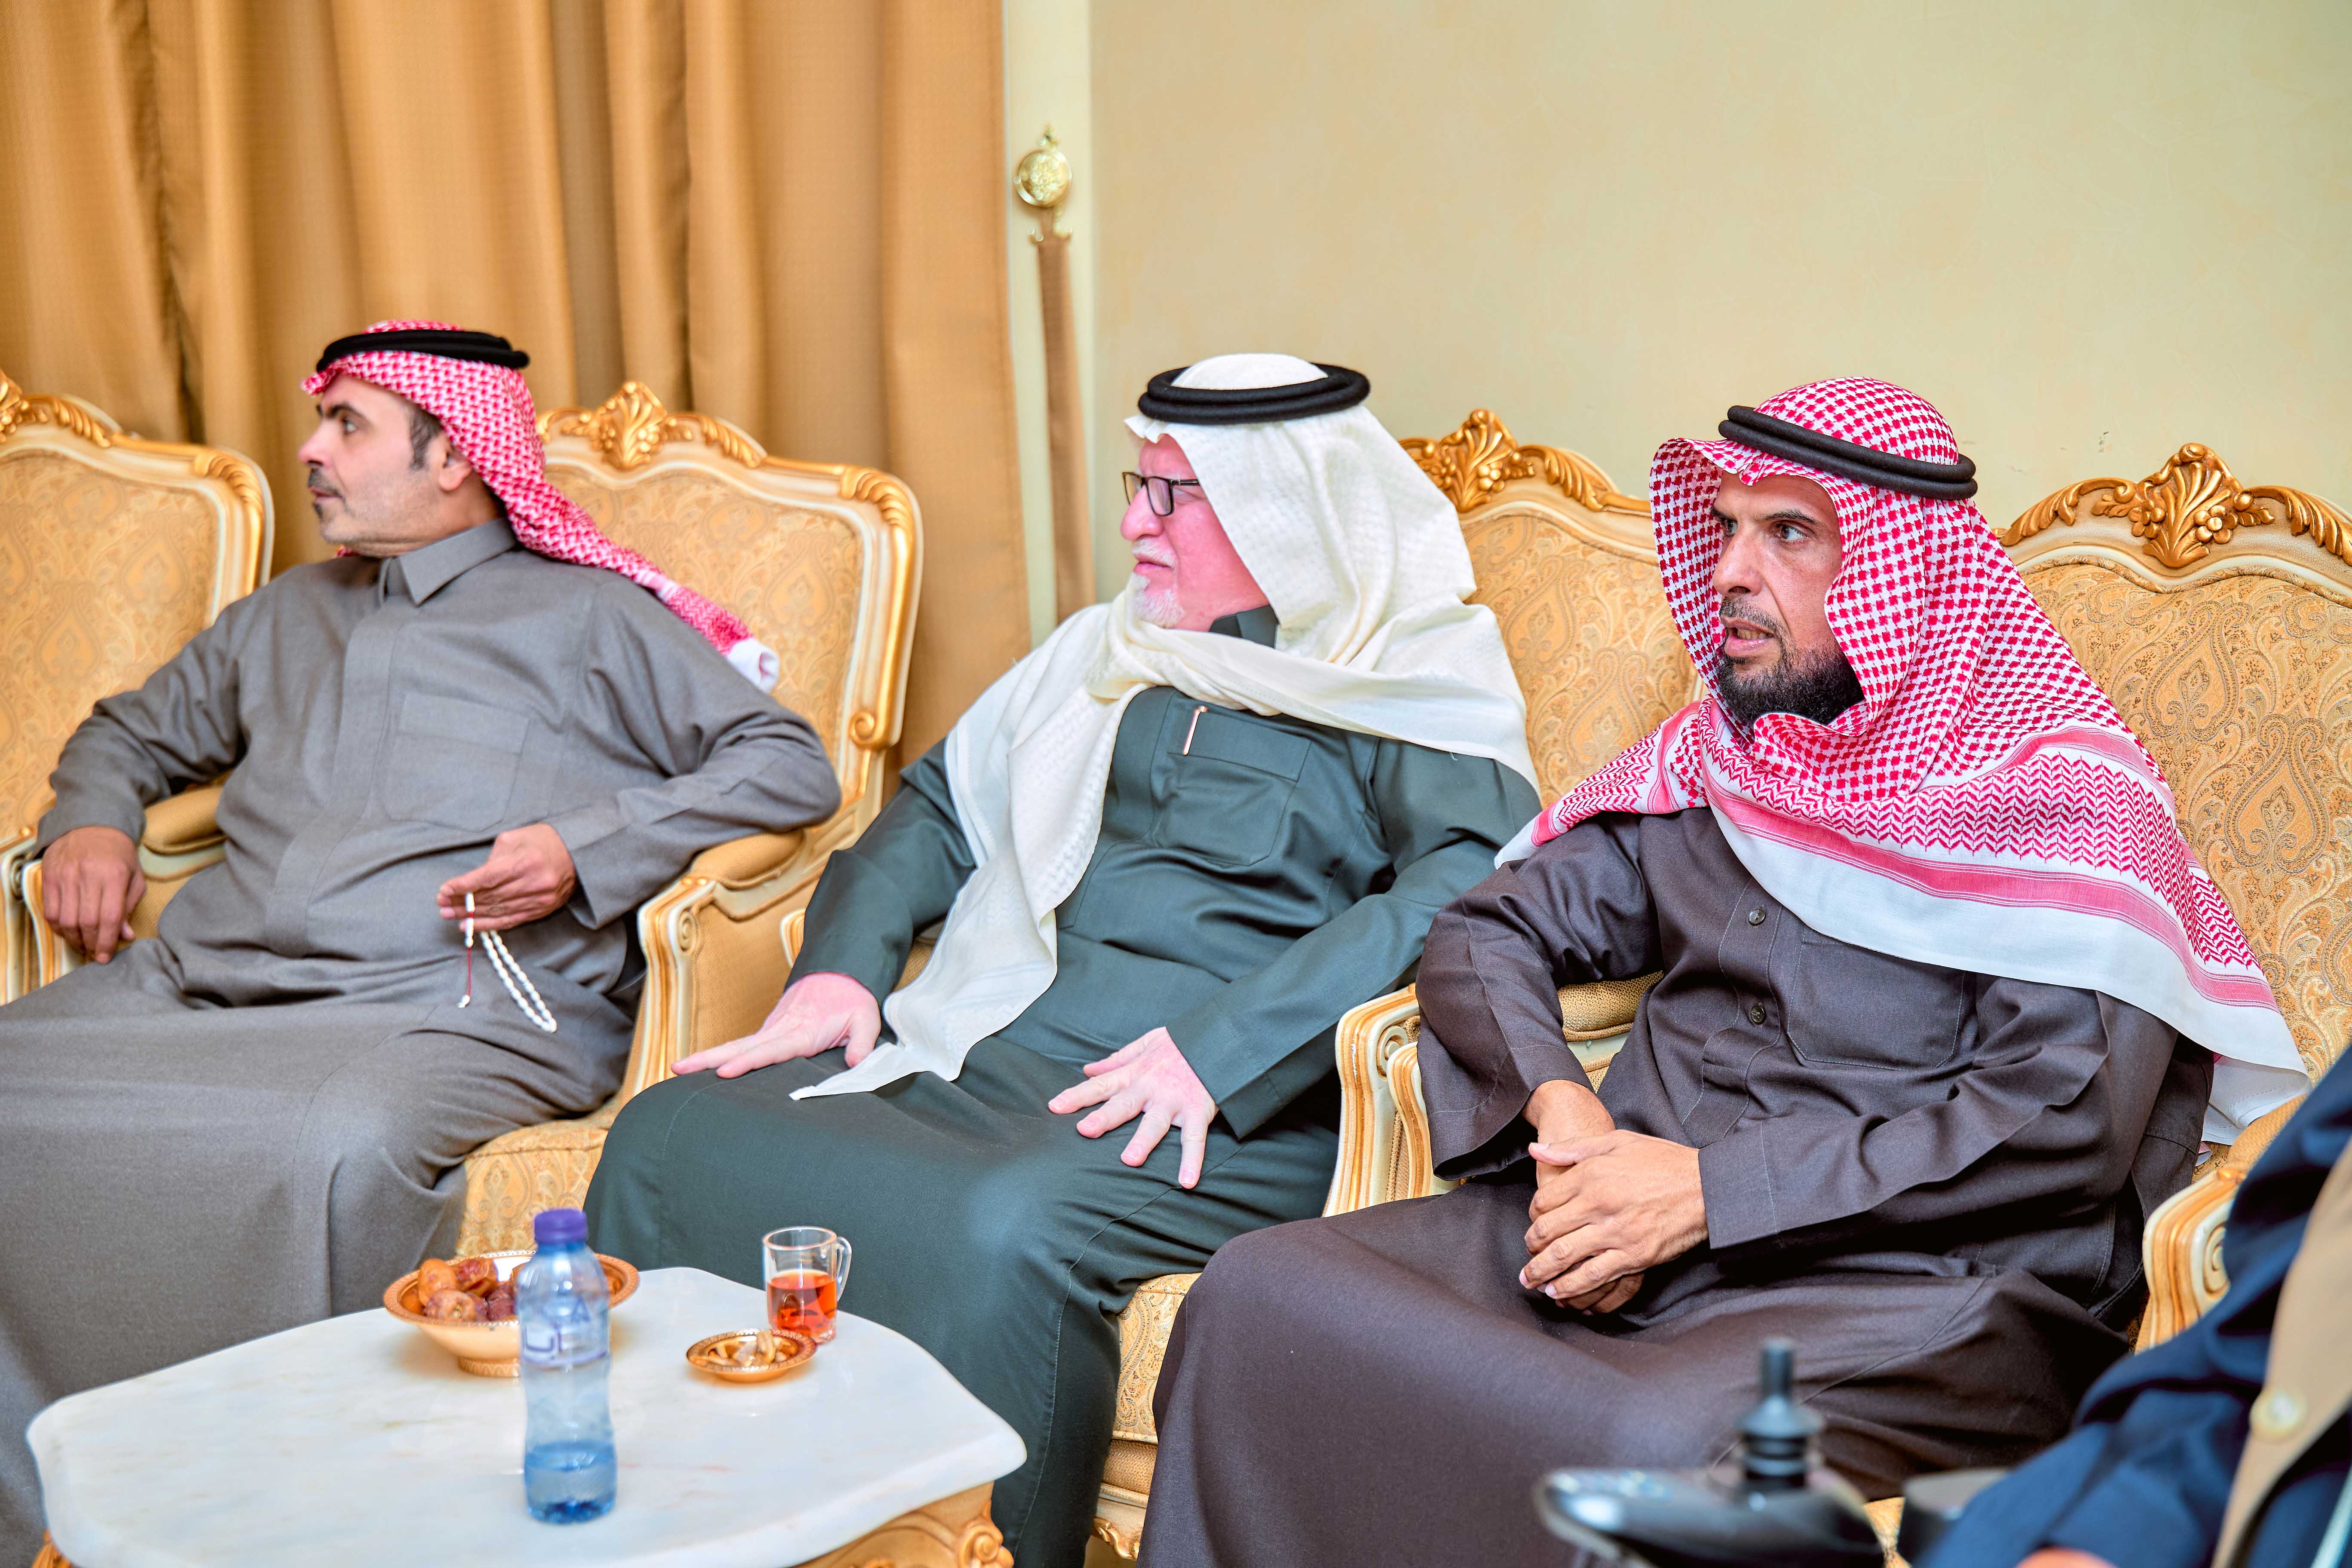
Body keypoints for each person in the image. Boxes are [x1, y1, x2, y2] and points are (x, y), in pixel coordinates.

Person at [1136, 378, 2312, 1568]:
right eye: (1727, 528)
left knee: (1644, 1455)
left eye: (1789, 533)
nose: (1733, 572)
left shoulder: (2064, 810)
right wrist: (1567, 1117)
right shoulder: (1720, 767)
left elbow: (2057, 1126)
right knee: (1258, 1292)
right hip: (1621, 1223)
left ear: (1908, 574)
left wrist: (1707, 1194)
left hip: (1915, 1292)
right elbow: (1487, 931)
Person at [584, 354, 1542, 1568]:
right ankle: (685, 1531)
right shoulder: (1110, 649)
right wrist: (843, 970)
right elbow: (941, 806)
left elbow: (1461, 889)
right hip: (994, 1036)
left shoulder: (1405, 682)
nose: (1134, 523)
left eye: (1171, 496)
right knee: (670, 1131)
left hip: (1222, 1098)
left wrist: (1221, 1052)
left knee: (1002, 1227)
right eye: (1137, 486)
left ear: (1283, 518)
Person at [0, 320, 840, 1558]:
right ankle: (55, 1511)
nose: (311, 450)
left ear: (454, 455)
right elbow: (126, 732)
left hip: (446, 1008)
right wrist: (91, 824)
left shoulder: (589, 618)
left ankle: (306, 1515)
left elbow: (786, 762)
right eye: (320, 422)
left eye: (347, 425)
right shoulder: (286, 616)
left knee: (339, 1145)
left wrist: (585, 844)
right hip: (199, 983)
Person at [1923, 1052, 2349, 1568]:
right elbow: (2261, 1338)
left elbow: (2072, 1120)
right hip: (2217, 1447)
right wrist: (2121, 1531)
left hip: (1974, 1267)